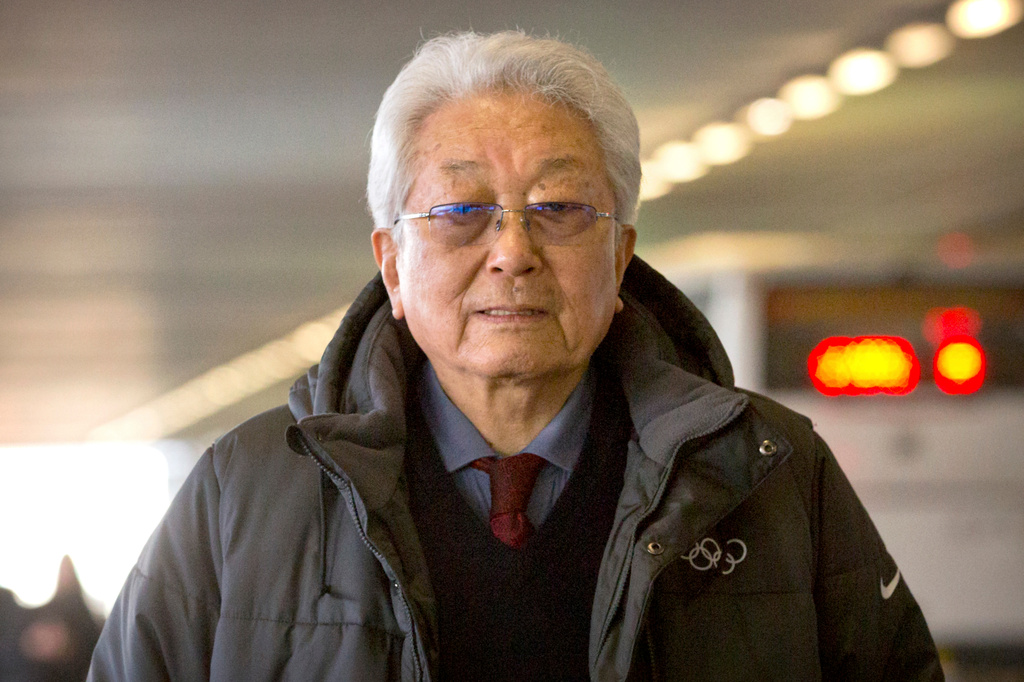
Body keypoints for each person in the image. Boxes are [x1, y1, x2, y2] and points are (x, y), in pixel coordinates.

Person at [88, 31, 943, 681]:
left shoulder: (774, 476)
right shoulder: (245, 493)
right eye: (462, 210)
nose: (512, 251)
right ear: (391, 262)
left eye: (560, 206)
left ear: (619, 257)